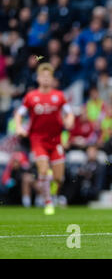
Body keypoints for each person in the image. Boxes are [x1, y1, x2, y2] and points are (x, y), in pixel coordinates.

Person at [14, 62, 74, 215]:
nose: (46, 79)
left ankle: (52, 194)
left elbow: (69, 113)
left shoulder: (59, 96)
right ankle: (47, 201)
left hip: (55, 140)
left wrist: (69, 120)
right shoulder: (31, 97)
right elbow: (19, 114)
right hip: (38, 139)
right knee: (43, 169)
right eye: (43, 76)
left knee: (59, 177)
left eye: (49, 76)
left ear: (52, 79)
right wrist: (19, 127)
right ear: (38, 78)